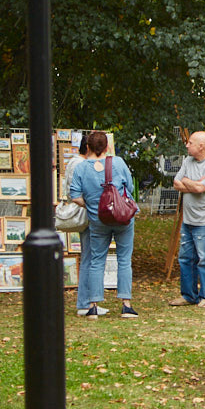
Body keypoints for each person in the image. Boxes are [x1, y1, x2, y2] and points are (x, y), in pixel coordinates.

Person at [69, 130, 139, 319]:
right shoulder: (118, 163)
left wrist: (93, 205)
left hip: (98, 220)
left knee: (96, 261)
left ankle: (93, 305)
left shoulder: (81, 168)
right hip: (122, 218)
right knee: (124, 260)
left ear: (88, 147)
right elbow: (130, 188)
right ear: (107, 146)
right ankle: (126, 304)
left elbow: (74, 195)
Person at [170, 131, 205, 308]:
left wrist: (188, 183)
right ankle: (188, 295)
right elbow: (176, 183)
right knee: (185, 258)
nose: (187, 145)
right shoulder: (188, 161)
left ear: (201, 146)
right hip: (188, 219)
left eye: (191, 142)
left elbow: (201, 189)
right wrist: (192, 183)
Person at [64, 137, 97, 317]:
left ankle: (86, 301)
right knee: (89, 258)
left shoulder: (73, 162)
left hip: (81, 213)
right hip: (86, 214)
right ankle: (85, 302)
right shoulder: (82, 164)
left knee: (88, 257)